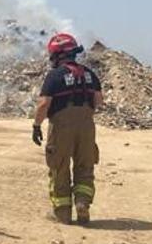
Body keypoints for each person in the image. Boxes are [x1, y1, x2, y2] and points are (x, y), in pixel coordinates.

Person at [32, 33, 103, 225]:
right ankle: (82, 204)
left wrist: (36, 126)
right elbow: (98, 100)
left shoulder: (54, 76)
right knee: (85, 167)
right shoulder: (90, 74)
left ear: (57, 55)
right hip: (87, 127)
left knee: (59, 168)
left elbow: (44, 104)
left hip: (61, 128)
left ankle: (62, 213)